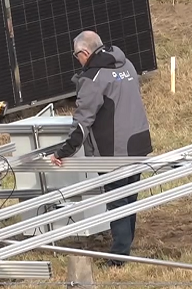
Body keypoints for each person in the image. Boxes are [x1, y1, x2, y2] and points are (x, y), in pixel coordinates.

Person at [49, 31, 152, 266]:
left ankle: (118, 257)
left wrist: (62, 152)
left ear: (84, 53)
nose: (78, 61)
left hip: (113, 151)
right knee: (130, 198)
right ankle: (125, 246)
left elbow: (82, 123)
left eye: (77, 56)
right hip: (137, 142)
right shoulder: (126, 63)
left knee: (117, 200)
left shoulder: (93, 78)